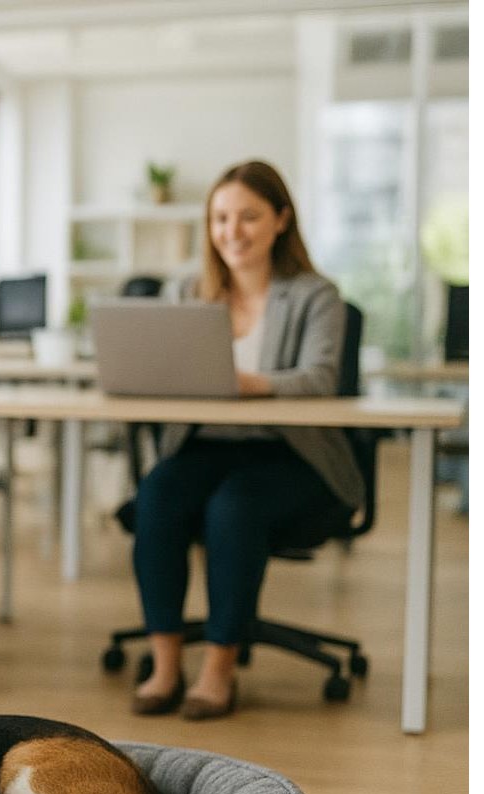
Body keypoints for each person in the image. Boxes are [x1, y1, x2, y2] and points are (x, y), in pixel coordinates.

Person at [129, 159, 364, 721]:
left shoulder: (315, 295)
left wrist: (244, 383)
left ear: (281, 219)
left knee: (236, 506)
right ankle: (165, 665)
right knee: (158, 494)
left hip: (292, 452)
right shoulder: (192, 289)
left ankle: (219, 669)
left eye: (249, 217)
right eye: (221, 218)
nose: (232, 231)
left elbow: (319, 378)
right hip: (206, 446)